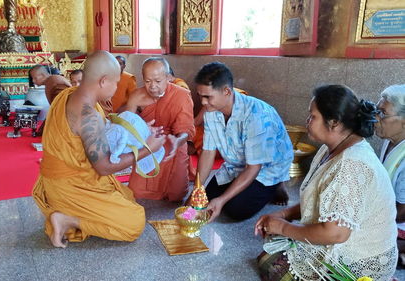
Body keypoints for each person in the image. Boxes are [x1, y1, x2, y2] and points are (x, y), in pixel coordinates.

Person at [255, 85, 397, 281]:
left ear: (335, 123)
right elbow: (318, 199)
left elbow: (335, 234)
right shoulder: (330, 149)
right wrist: (284, 214)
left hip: (359, 261)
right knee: (269, 252)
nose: (307, 121)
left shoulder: (352, 164)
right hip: (338, 236)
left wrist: (282, 227)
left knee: (271, 265)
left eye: (313, 117)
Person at [32, 50, 166, 248]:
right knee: (134, 223)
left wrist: (140, 131)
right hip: (68, 186)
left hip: (65, 179)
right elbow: (103, 167)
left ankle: (68, 216)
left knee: (127, 196)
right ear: (103, 81)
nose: (115, 88)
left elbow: (100, 133)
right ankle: (68, 220)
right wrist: (148, 149)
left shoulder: (72, 95)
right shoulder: (87, 115)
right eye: (116, 83)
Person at [195, 62, 292, 222]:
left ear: (226, 91)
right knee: (206, 197)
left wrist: (222, 200)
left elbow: (253, 167)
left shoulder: (256, 115)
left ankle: (276, 185)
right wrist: (196, 189)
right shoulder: (211, 112)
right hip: (237, 164)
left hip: (265, 169)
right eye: (200, 96)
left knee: (235, 209)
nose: (203, 102)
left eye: (208, 97)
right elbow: (208, 151)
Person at [124, 57, 195, 201]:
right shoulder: (136, 96)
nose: (152, 86)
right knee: (136, 192)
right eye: (147, 81)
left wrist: (178, 141)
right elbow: (127, 124)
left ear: (168, 77)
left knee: (176, 195)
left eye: (158, 81)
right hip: (148, 144)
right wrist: (140, 132)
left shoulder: (182, 95)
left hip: (174, 144)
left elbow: (186, 128)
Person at [374, 84, 405, 265]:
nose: (376, 118)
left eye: (383, 114)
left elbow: (402, 212)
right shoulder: (391, 141)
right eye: (376, 111)